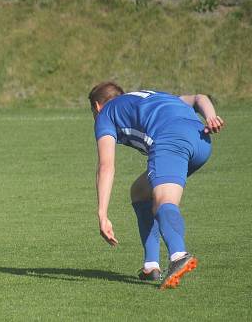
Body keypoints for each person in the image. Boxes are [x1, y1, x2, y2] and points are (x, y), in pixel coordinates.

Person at [89, 82, 224, 289]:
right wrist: (211, 117)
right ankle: (151, 266)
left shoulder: (106, 113)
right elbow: (199, 98)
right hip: (201, 140)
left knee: (163, 200)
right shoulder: (151, 96)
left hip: (170, 139)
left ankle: (179, 255)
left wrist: (102, 214)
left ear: (97, 106)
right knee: (141, 191)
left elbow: (106, 166)